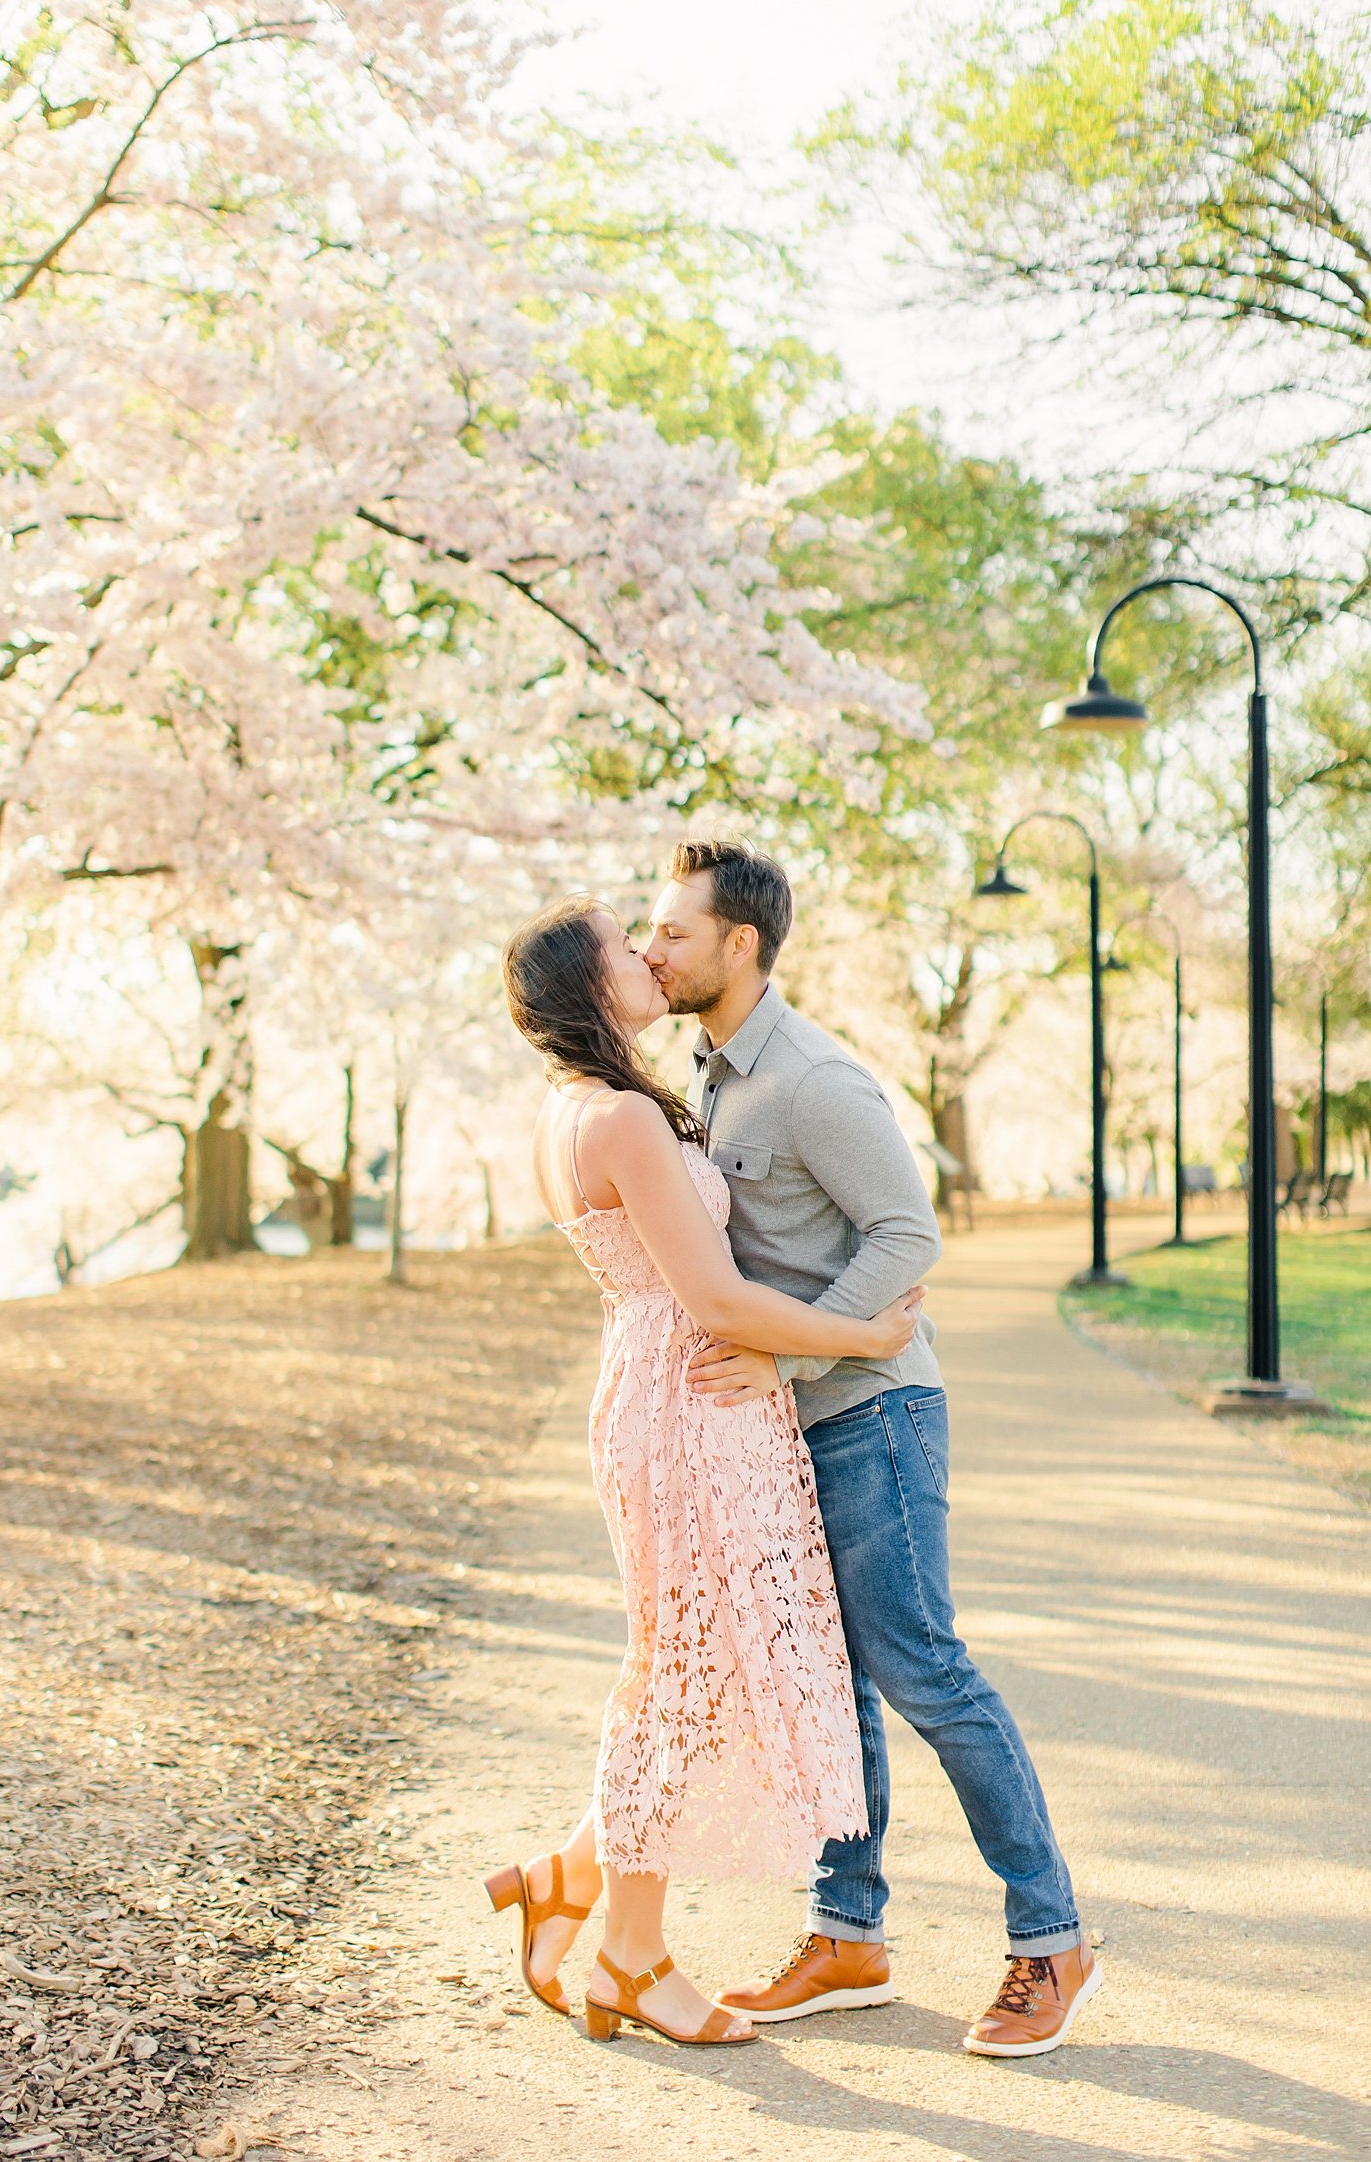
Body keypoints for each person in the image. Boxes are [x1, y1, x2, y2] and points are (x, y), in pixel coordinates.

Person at [645, 838, 1102, 2060]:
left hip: (875, 1415)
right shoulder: (709, 1072)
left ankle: (1051, 1940)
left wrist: (789, 1360)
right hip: (789, 1432)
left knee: (926, 1673)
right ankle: (848, 1934)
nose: (654, 949)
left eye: (674, 932)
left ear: (740, 945)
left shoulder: (812, 1079)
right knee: (830, 1685)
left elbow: (908, 1239)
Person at [492, 896, 928, 2048]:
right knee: (681, 1669)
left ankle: (573, 1880)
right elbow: (718, 1300)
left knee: (692, 1663)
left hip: (662, 1386)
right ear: (588, 991)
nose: (644, 955)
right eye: (619, 951)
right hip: (690, 1395)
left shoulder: (574, 1109)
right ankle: (630, 1955)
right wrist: (869, 1337)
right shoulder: (624, 1122)